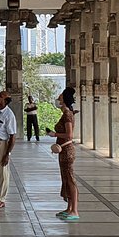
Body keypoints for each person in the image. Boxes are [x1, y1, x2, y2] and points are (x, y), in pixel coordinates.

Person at [47, 87, 79, 220]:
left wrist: (54, 134)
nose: (58, 99)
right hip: (62, 150)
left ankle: (75, 210)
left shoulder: (67, 114)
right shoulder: (66, 113)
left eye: (60, 98)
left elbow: (69, 135)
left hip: (67, 150)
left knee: (70, 179)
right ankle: (69, 207)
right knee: (65, 179)